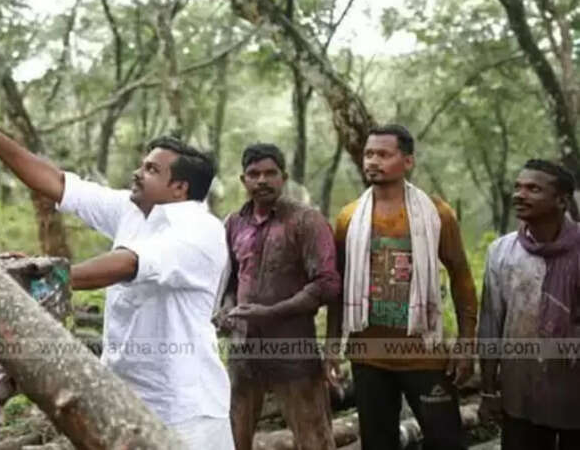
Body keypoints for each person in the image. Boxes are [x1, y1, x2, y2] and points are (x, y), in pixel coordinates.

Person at [0, 111, 233, 449]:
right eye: (143, 165)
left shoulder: (200, 229)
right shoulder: (133, 210)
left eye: (151, 170)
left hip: (184, 409)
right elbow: (57, 184)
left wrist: (49, 277)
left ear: (180, 188)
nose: (137, 173)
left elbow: (128, 264)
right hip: (125, 399)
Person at [326, 124, 477, 450]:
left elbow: (461, 277)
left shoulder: (436, 214)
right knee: (378, 443)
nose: (372, 161)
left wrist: (467, 343)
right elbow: (338, 285)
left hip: (424, 354)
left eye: (383, 154)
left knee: (446, 441)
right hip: (368, 356)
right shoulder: (349, 218)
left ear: (407, 161)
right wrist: (331, 347)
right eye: (369, 154)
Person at [213, 143, 339, 450]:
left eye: (270, 173)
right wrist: (226, 308)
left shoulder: (306, 221)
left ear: (284, 177)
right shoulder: (234, 223)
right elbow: (230, 280)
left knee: (314, 439)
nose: (262, 180)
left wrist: (271, 312)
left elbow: (327, 284)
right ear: (243, 180)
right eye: (254, 174)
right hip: (243, 350)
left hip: (293, 349)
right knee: (233, 438)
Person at [478, 160, 580, 450]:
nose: (519, 195)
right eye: (518, 187)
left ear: (561, 201)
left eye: (533, 189)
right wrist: (488, 390)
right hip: (521, 393)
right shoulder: (502, 252)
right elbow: (491, 325)